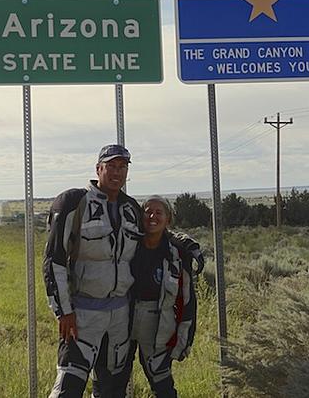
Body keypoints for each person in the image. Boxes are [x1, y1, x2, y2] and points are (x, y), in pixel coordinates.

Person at [43, 144, 203, 398]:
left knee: (112, 389)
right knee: (68, 386)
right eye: (111, 166)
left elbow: (154, 230)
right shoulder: (74, 203)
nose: (117, 172)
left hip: (120, 317)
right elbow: (54, 260)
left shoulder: (130, 208)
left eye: (123, 167)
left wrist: (183, 243)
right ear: (98, 169)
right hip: (83, 314)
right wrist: (64, 312)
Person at [93, 195, 197, 398]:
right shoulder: (128, 244)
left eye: (159, 213)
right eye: (148, 211)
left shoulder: (177, 253)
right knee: (112, 381)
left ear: (168, 219)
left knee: (162, 383)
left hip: (158, 324)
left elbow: (188, 299)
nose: (152, 216)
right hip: (122, 318)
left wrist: (185, 337)